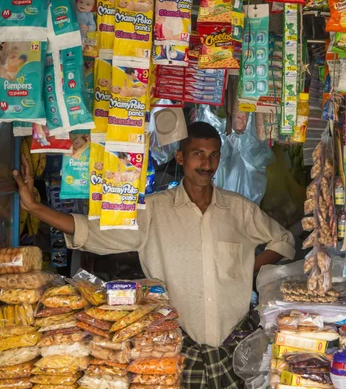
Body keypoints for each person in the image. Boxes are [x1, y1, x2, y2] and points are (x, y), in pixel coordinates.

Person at [13, 122, 295, 389]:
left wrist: (250, 268)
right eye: (198, 154)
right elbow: (94, 232)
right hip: (173, 346)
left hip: (235, 345)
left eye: (213, 156)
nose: (207, 164)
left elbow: (284, 240)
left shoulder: (240, 210)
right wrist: (36, 209)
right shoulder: (153, 210)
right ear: (181, 157)